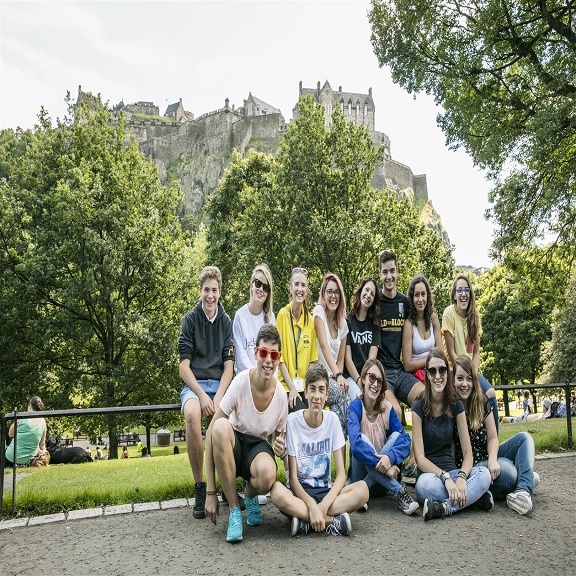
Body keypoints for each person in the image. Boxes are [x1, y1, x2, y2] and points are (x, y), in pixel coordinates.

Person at [205, 324, 288, 543]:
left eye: (274, 355)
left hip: (258, 447)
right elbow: (211, 431)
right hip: (234, 442)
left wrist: (281, 449)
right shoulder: (241, 381)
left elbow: (282, 444)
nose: (268, 360)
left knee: (268, 473)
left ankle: (249, 495)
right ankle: (234, 509)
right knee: (220, 427)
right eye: (264, 352)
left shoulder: (281, 395)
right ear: (256, 353)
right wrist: (210, 492)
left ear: (279, 358)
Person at [271, 364, 369, 536]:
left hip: (326, 492)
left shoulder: (332, 420)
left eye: (321, 390)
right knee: (277, 492)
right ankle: (332, 522)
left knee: (362, 490)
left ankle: (304, 522)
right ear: (305, 392)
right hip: (300, 494)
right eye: (312, 389)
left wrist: (322, 506)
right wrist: (311, 505)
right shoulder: (293, 421)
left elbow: (341, 476)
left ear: (327, 395)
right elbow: (293, 479)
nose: (316, 396)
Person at [178, 265, 235, 520]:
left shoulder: (226, 321)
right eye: (206, 290)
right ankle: (200, 487)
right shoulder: (190, 320)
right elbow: (183, 367)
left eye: (214, 290)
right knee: (192, 415)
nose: (210, 295)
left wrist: (219, 397)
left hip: (220, 386)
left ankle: (227, 484)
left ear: (220, 292)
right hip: (196, 385)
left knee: (229, 421)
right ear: (200, 291)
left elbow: (229, 367)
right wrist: (202, 395)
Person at [412, 348, 492, 521]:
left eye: (442, 370)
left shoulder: (455, 404)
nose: (437, 376)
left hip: (453, 473)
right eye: (432, 371)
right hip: (431, 477)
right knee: (423, 487)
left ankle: (444, 507)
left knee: (484, 474)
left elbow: (468, 454)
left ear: (447, 374)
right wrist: (445, 478)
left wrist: (461, 477)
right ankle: (472, 499)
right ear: (427, 375)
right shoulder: (418, 405)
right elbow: (420, 458)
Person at [453, 355, 537, 515]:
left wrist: (492, 460)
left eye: (469, 379)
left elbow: (492, 437)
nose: (464, 384)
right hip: (472, 467)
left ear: (474, 381)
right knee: (510, 473)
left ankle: (523, 491)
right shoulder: (451, 407)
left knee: (524, 438)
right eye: (460, 378)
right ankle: (526, 477)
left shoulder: (481, 401)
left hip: (488, 456)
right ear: (453, 381)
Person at [348, 359, 418, 515]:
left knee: (396, 435)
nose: (375, 384)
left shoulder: (387, 408)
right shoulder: (355, 406)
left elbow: (406, 440)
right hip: (361, 477)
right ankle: (399, 491)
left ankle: (359, 496)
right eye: (372, 378)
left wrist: (390, 458)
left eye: (379, 381)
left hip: (380, 486)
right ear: (363, 379)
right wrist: (385, 468)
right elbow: (356, 446)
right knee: (362, 440)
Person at [441, 274, 498, 431]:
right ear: (454, 295)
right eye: (459, 290)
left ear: (471, 294)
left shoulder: (475, 317)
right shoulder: (449, 313)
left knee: (490, 393)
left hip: (470, 370)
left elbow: (476, 352)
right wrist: (465, 374)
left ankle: (494, 438)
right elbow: (451, 352)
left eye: (466, 290)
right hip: (453, 369)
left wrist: (473, 373)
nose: (463, 294)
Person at [376, 250, 425, 419]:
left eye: (392, 271)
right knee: (395, 412)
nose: (389, 276)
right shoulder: (374, 302)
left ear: (397, 271)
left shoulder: (405, 302)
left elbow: (421, 324)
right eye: (385, 272)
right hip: (382, 373)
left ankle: (420, 438)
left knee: (426, 399)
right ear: (380, 274)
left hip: (400, 371)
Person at [313, 273, 350, 436]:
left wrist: (337, 377)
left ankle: (337, 445)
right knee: (343, 397)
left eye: (336, 292)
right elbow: (324, 346)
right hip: (317, 374)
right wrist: (339, 375)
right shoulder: (318, 312)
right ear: (323, 294)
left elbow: (340, 358)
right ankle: (344, 442)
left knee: (337, 410)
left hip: (333, 378)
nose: (333, 296)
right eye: (329, 291)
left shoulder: (343, 324)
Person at [276, 267, 317, 412]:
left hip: (304, 386)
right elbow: (279, 358)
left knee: (315, 413)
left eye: (303, 285)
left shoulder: (310, 320)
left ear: (307, 290)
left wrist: (308, 389)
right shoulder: (282, 315)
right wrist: (292, 388)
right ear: (290, 288)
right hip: (286, 385)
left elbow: (312, 360)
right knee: (301, 413)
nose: (300, 289)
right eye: (296, 284)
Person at [233, 263, 275, 374]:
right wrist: (255, 377)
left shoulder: (271, 318)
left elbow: (272, 354)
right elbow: (240, 357)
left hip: (265, 377)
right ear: (251, 285)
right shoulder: (240, 316)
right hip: (245, 377)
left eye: (265, 288)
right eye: (258, 284)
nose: (261, 289)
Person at [344, 277, 381, 398]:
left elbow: (371, 359)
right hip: (350, 376)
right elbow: (347, 358)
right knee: (359, 397)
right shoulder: (348, 321)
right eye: (367, 290)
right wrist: (359, 381)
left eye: (372, 294)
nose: (368, 295)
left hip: (367, 375)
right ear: (360, 291)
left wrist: (366, 380)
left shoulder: (374, 325)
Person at [402, 274, 442, 382]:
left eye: (423, 294)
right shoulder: (409, 324)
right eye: (417, 295)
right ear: (412, 298)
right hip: (416, 375)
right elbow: (407, 365)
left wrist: (433, 360)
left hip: (434, 370)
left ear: (427, 296)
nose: (420, 299)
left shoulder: (433, 318)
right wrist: (431, 358)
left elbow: (441, 353)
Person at [5, 396, 47, 467]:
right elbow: (42, 445)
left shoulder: (22, 418)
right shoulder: (43, 422)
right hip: (28, 461)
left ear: (30, 406)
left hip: (11, 457)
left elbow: (10, 434)